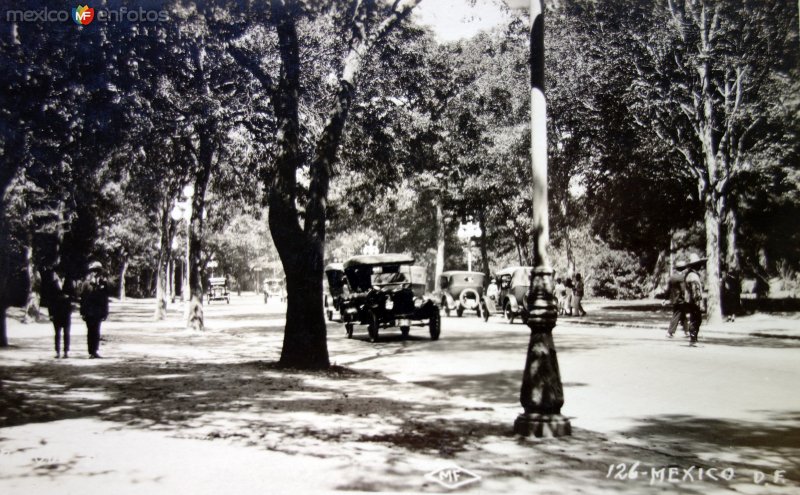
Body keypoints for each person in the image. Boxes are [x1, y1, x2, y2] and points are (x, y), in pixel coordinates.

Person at [42, 267, 75, 359]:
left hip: (66, 312)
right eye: (56, 273)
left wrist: (68, 297)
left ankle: (66, 352)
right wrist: (51, 314)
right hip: (56, 312)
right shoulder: (52, 285)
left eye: (60, 273)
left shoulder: (69, 282)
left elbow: (73, 296)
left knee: (67, 333)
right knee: (57, 333)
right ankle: (57, 351)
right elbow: (50, 301)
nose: (58, 275)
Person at [80, 261, 109, 358]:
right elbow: (83, 299)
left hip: (98, 311)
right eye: (94, 271)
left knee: (96, 331)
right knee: (90, 331)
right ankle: (91, 351)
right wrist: (82, 312)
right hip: (89, 312)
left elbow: (105, 299)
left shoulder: (103, 284)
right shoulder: (86, 284)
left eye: (98, 271)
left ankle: (95, 351)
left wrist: (105, 312)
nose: (95, 273)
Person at [683, 254, 706, 346]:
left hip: (690, 300)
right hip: (693, 301)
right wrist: (698, 302)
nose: (700, 266)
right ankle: (693, 339)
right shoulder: (693, 276)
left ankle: (694, 338)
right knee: (696, 319)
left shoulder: (690, 274)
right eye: (698, 264)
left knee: (696, 319)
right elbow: (695, 290)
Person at [666, 260, 689, 338]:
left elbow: (668, 289)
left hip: (674, 299)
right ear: (683, 269)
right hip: (680, 299)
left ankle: (687, 331)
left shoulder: (672, 277)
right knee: (677, 314)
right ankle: (670, 332)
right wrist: (685, 297)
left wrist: (666, 298)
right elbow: (683, 289)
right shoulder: (682, 278)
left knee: (683, 315)